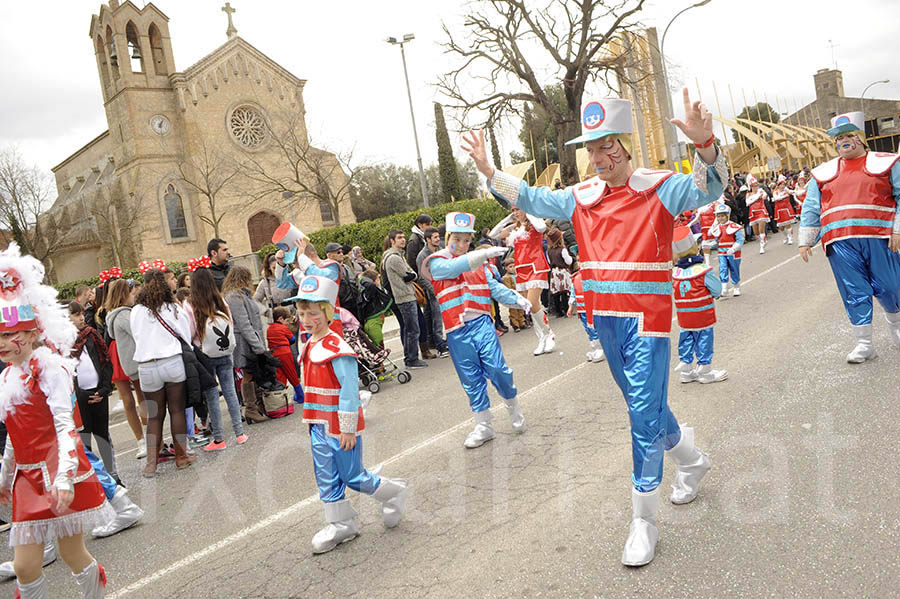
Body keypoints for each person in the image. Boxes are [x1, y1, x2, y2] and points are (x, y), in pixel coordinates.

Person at [466, 90, 722, 566]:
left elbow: (709, 189)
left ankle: (643, 520)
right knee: (647, 409)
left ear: (625, 144)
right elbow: (531, 196)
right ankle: (692, 460)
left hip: (647, 321)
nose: (599, 157)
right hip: (605, 321)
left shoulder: (662, 186)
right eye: (591, 148)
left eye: (607, 145)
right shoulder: (580, 198)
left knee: (642, 414)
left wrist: (704, 142)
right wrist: (488, 169)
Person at [0, 243, 113, 598]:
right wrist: (4, 477)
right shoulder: (8, 377)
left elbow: (66, 427)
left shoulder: (50, 368)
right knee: (25, 565)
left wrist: (64, 478)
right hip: (26, 478)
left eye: (10, 334)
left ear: (33, 333)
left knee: (71, 552)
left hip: (58, 470)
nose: (3, 343)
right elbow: (12, 436)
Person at [290, 274, 408, 553]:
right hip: (317, 425)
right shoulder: (310, 343)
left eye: (313, 313)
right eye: (302, 313)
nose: (306, 319)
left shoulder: (337, 347)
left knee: (353, 477)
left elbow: (348, 390)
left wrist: (347, 428)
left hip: (338, 426)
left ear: (328, 313)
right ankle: (342, 525)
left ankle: (394, 492)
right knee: (326, 477)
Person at [799, 111, 900, 363]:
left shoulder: (887, 162)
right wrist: (805, 239)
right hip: (839, 240)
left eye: (847, 135)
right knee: (854, 290)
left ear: (861, 138)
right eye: (837, 137)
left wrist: (898, 229)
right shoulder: (823, 173)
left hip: (880, 236)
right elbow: (812, 205)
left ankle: (897, 326)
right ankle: (864, 343)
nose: (842, 140)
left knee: (890, 286)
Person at [422, 212, 530, 448]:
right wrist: (480, 255)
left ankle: (513, 406)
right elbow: (451, 270)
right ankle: (483, 425)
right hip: (456, 330)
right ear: (447, 237)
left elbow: (493, 287)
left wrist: (517, 299)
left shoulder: (478, 263)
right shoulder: (437, 261)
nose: (462, 245)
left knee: (497, 369)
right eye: (457, 239)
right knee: (471, 379)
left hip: (481, 323)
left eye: (466, 240)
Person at [131, 268, 196, 477]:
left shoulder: (136, 310)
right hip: (171, 361)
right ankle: (181, 456)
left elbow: (136, 336)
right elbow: (185, 334)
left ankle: (151, 463)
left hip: (147, 365)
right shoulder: (171, 307)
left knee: (154, 416)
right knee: (176, 410)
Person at [186, 267, 249, 449]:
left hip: (205, 354)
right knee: (230, 392)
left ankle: (219, 439)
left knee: (212, 395)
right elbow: (230, 321)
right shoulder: (220, 300)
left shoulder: (191, 304)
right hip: (225, 351)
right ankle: (240, 433)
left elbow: (189, 332)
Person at [489, 209, 557, 355]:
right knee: (529, 306)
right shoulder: (515, 228)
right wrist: (508, 219)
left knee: (532, 303)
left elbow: (541, 227)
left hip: (536, 266)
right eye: (513, 210)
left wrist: (529, 211)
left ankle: (549, 333)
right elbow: (492, 235)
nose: (516, 212)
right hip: (521, 269)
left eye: (518, 209)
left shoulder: (534, 224)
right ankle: (542, 338)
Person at [68, 302, 118, 483]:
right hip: (79, 399)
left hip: (99, 393)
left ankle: (113, 476)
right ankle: (94, 482)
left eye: (81, 314)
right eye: (75, 315)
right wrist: (80, 395)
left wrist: (104, 389)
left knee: (103, 435)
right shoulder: (61, 343)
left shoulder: (91, 335)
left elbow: (105, 361)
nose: (81, 317)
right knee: (84, 440)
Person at [671, 227, 727, 384]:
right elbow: (717, 290)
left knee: (686, 338)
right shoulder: (703, 270)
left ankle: (686, 370)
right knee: (704, 339)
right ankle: (705, 371)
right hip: (703, 315)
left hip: (684, 317)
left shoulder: (675, 273)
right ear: (695, 247)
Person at [103, 278, 148, 458]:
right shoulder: (108, 312)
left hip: (126, 351)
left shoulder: (130, 311)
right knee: (128, 401)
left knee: (142, 397)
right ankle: (141, 441)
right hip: (116, 353)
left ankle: (149, 436)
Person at [223, 266, 270, 423]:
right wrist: (258, 346)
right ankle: (250, 408)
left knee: (252, 373)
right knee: (248, 373)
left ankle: (255, 407)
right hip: (244, 342)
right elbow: (244, 324)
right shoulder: (235, 297)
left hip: (250, 339)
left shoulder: (241, 295)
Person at [381, 230, 427, 369]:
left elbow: (412, 273)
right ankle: (411, 359)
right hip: (404, 297)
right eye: (399, 238)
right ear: (392, 240)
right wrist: (411, 276)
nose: (403, 240)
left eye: (403, 237)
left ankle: (411, 358)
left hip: (406, 295)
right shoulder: (394, 258)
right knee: (412, 329)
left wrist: (411, 275)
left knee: (410, 328)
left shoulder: (398, 255)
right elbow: (408, 273)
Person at [567, 268, 605, 362]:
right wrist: (571, 307)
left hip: (594, 308)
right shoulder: (576, 277)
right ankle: (595, 348)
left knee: (595, 328)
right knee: (588, 329)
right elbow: (573, 293)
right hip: (582, 309)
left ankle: (600, 349)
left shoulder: (594, 273)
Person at [708, 203, 745, 299]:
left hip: (733, 253)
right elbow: (716, 241)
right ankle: (724, 289)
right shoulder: (717, 228)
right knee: (723, 269)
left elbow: (740, 240)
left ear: (727, 215)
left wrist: (733, 248)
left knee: (734, 269)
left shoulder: (734, 227)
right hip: (721, 252)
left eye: (723, 216)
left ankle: (736, 286)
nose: (721, 218)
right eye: (719, 216)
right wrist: (710, 245)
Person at [267, 306, 303, 404]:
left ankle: (281, 399)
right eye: (286, 320)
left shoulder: (269, 329)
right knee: (292, 375)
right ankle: (300, 396)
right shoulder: (283, 328)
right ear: (280, 319)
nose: (287, 323)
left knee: (280, 376)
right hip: (285, 353)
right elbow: (292, 339)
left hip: (274, 354)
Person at [324, 243, 361, 322]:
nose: (341, 254)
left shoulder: (346, 267)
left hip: (355, 304)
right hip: (342, 307)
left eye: (341, 252)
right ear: (330, 255)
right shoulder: (327, 271)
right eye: (338, 252)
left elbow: (355, 282)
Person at [255, 252, 294, 323]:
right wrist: (267, 312)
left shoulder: (291, 278)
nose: (277, 270)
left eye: (279, 267)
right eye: (274, 268)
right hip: (275, 320)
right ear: (269, 268)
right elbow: (255, 301)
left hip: (291, 318)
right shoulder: (264, 283)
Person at [358, 270, 393, 347]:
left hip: (376, 320)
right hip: (372, 322)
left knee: (379, 345)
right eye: (377, 279)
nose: (379, 281)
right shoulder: (370, 289)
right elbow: (371, 285)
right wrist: (361, 278)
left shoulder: (373, 291)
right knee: (379, 346)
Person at [546, 228, 573, 318]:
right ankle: (566, 309)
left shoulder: (549, 250)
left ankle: (558, 311)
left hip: (554, 271)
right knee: (564, 291)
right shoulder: (562, 250)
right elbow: (568, 261)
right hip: (562, 271)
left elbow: (549, 261)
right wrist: (572, 258)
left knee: (556, 291)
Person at [745, 175, 770, 253]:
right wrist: (757, 197)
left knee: (761, 229)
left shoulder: (761, 191)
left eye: (756, 186)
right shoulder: (748, 194)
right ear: (751, 187)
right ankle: (763, 240)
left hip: (761, 211)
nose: (756, 188)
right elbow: (747, 203)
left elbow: (765, 196)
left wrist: (761, 195)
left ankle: (761, 246)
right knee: (756, 232)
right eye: (754, 186)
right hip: (753, 213)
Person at [771, 175, 795, 245]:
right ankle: (786, 236)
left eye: (783, 184)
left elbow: (792, 192)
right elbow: (776, 198)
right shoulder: (775, 192)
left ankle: (790, 237)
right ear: (778, 185)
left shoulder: (786, 190)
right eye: (781, 185)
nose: (782, 186)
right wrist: (785, 196)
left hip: (787, 208)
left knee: (788, 224)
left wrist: (798, 190)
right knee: (781, 227)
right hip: (779, 210)